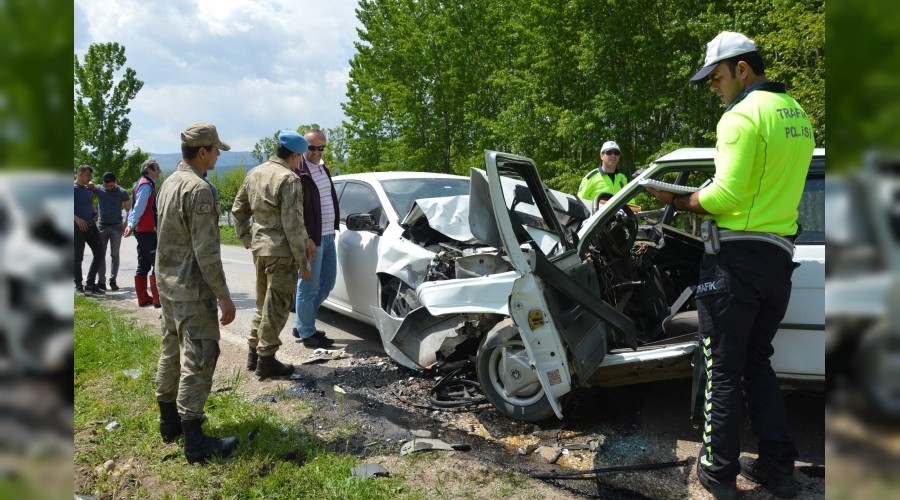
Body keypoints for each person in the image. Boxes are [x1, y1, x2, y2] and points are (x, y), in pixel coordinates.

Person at [645, 31, 814, 500]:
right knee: (758, 365)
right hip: (778, 260)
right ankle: (780, 471)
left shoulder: (740, 116)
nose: (714, 89)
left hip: (734, 264)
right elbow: (762, 186)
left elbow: (726, 196)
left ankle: (718, 474)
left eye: (716, 78)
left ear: (743, 69)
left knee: (721, 367)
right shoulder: (797, 115)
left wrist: (674, 198)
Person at [154, 122, 238, 464]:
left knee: (171, 350)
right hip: (191, 288)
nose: (219, 153)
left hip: (168, 284)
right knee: (200, 357)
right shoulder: (199, 190)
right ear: (201, 151)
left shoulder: (169, 182)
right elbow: (206, 250)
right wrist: (223, 295)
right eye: (216, 149)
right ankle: (195, 442)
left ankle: (169, 422)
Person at [232, 129, 313, 379]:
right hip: (281, 252)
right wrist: (304, 262)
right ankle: (266, 360)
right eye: (300, 157)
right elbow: (293, 223)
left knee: (261, 304)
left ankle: (253, 355)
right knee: (276, 306)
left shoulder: (254, 173)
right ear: (296, 155)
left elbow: (238, 210)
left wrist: (246, 237)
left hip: (260, 248)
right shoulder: (288, 179)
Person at [291, 128, 340, 348]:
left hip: (329, 235)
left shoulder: (323, 169)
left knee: (327, 283)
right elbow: (296, 211)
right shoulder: (298, 173)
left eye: (321, 148)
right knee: (308, 286)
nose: (317, 152)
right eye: (312, 148)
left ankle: (302, 322)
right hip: (312, 239)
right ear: (304, 148)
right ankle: (308, 333)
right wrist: (307, 237)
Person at [125, 158, 162, 307]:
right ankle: (157, 299)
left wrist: (131, 224)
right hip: (147, 229)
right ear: (149, 170)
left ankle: (143, 298)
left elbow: (135, 208)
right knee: (157, 263)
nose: (159, 171)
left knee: (143, 262)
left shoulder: (140, 183)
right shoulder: (146, 185)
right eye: (157, 168)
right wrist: (131, 223)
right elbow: (139, 207)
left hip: (142, 230)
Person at [94, 172, 131, 291]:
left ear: (115, 182)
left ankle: (113, 279)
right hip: (102, 226)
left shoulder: (122, 192)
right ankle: (101, 281)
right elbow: (87, 185)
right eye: (106, 185)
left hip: (116, 227)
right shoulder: (99, 189)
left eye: (110, 185)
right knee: (100, 255)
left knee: (115, 254)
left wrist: (126, 224)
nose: (108, 188)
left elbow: (129, 209)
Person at [74, 165, 105, 295]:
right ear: (80, 174)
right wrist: (77, 219)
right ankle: (78, 285)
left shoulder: (88, 189)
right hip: (78, 227)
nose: (90, 178)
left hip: (91, 226)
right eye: (88, 176)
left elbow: (89, 203)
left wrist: (95, 212)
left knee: (100, 253)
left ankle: (91, 283)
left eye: (91, 176)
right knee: (78, 258)